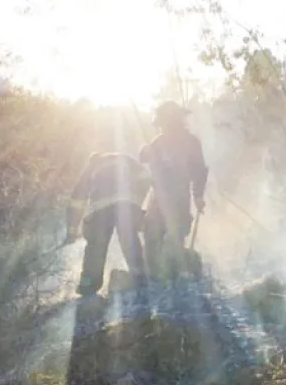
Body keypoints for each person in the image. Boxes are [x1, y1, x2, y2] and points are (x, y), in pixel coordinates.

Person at [65, 152, 152, 297]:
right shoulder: (125, 158)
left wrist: (72, 229)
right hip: (127, 204)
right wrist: (137, 201)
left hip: (101, 208)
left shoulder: (92, 165)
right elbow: (146, 177)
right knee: (129, 238)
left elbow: (78, 198)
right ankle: (140, 277)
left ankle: (88, 285)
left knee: (96, 244)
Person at [139, 101, 208, 279]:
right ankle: (154, 279)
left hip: (179, 197)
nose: (164, 127)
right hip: (157, 198)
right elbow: (143, 158)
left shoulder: (191, 142)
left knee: (175, 237)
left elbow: (199, 170)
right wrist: (146, 151)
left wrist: (198, 195)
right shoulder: (157, 142)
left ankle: (174, 276)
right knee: (152, 237)